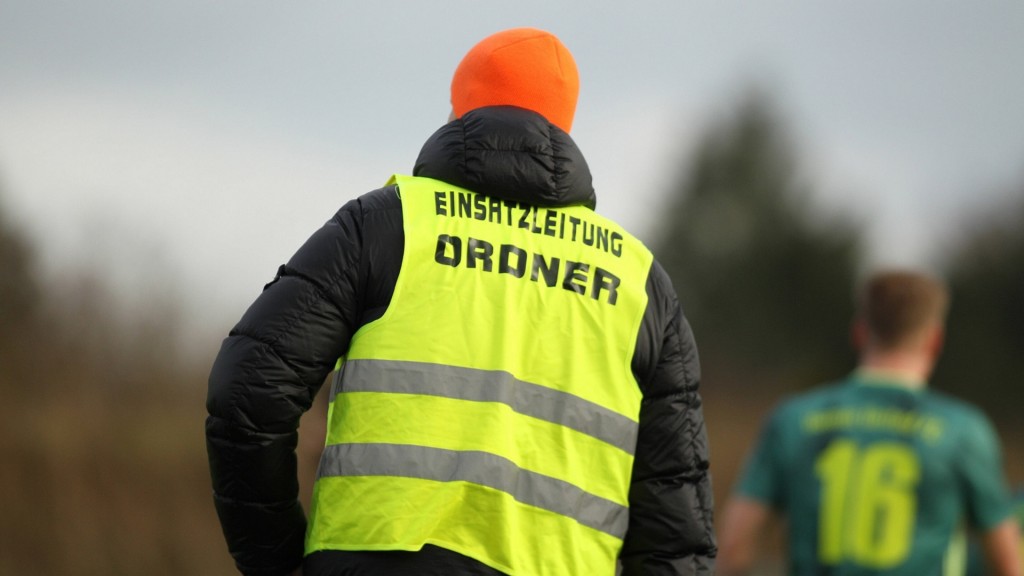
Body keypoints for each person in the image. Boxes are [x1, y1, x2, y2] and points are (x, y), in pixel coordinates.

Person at [206, 27, 716, 576]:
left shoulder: (386, 226)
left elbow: (249, 392)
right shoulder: (640, 282)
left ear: (459, 113)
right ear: (563, 125)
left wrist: (277, 562)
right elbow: (676, 533)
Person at [716, 270, 1021, 576]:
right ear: (935, 340)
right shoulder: (963, 431)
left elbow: (734, 546)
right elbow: (1008, 563)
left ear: (860, 332)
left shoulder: (792, 419)